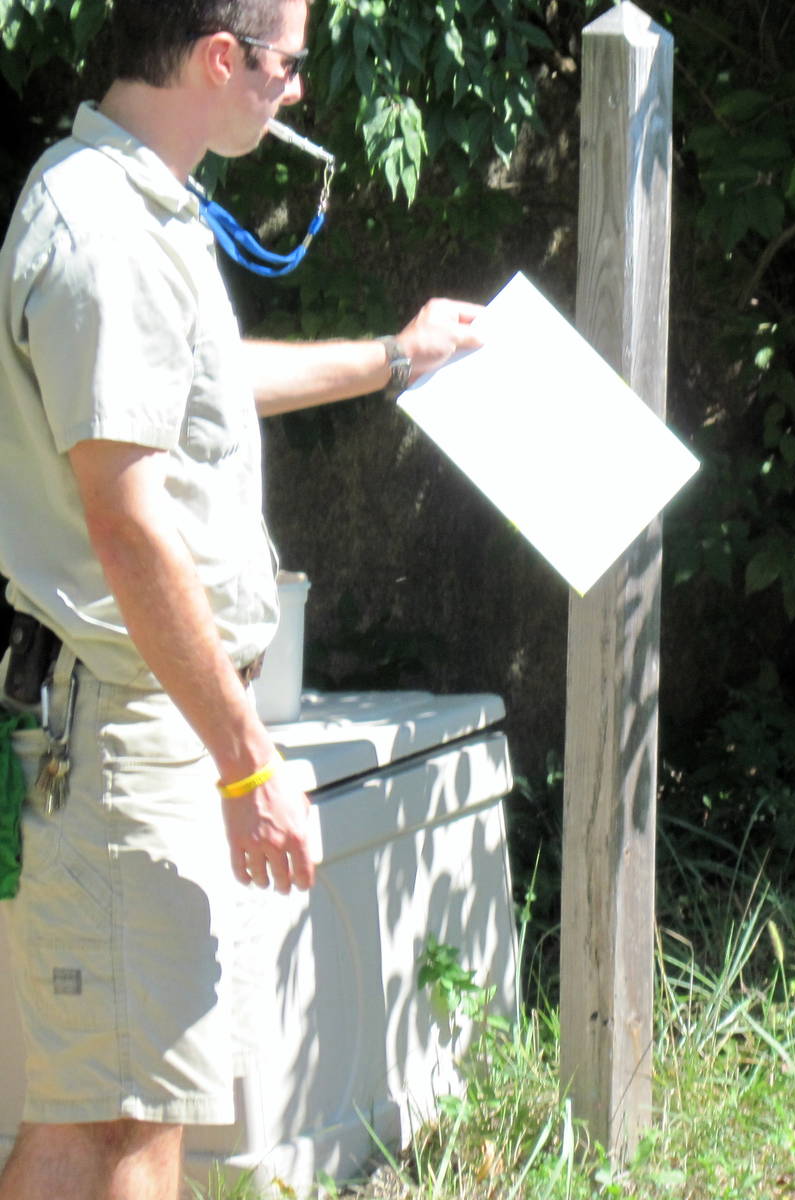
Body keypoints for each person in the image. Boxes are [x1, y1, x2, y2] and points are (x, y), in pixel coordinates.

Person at [0, 1, 484, 1196]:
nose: (297, 91)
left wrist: (393, 357)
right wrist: (246, 763)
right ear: (222, 58)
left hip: (144, 721)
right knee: (116, 1122)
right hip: (125, 731)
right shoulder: (102, 231)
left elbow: (200, 386)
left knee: (127, 1107)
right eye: (290, 64)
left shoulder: (138, 201)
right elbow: (125, 521)